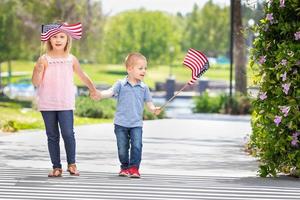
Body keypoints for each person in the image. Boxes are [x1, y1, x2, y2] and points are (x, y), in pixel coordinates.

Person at [32, 22, 99, 177]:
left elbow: (82, 75)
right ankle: (56, 167)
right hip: (47, 103)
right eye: (55, 36)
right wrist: (38, 70)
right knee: (52, 135)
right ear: (49, 39)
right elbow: (36, 82)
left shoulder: (71, 59)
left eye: (62, 36)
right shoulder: (44, 59)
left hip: (66, 102)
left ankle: (72, 164)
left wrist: (93, 89)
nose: (58, 39)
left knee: (68, 133)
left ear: (67, 39)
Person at [97, 53, 161, 178]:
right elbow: (110, 92)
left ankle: (134, 168)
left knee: (137, 146)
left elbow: (149, 103)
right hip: (120, 123)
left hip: (136, 124)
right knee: (122, 147)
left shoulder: (144, 88)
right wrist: (100, 94)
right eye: (140, 68)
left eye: (145, 68)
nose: (144, 71)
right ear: (129, 69)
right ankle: (124, 167)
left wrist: (154, 109)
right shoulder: (120, 84)